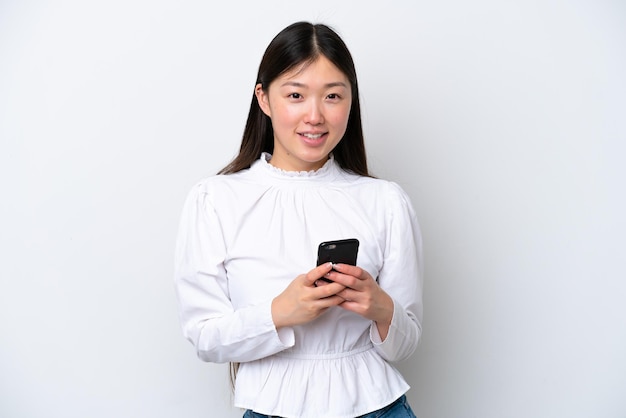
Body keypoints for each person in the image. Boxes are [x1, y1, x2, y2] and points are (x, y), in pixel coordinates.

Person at [174, 21, 423, 418]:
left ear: (350, 101)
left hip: (380, 408)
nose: (315, 115)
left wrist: (380, 307)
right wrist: (280, 312)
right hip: (270, 410)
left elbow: (406, 344)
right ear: (264, 99)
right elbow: (205, 336)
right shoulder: (215, 200)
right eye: (295, 94)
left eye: (332, 96)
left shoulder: (385, 201)